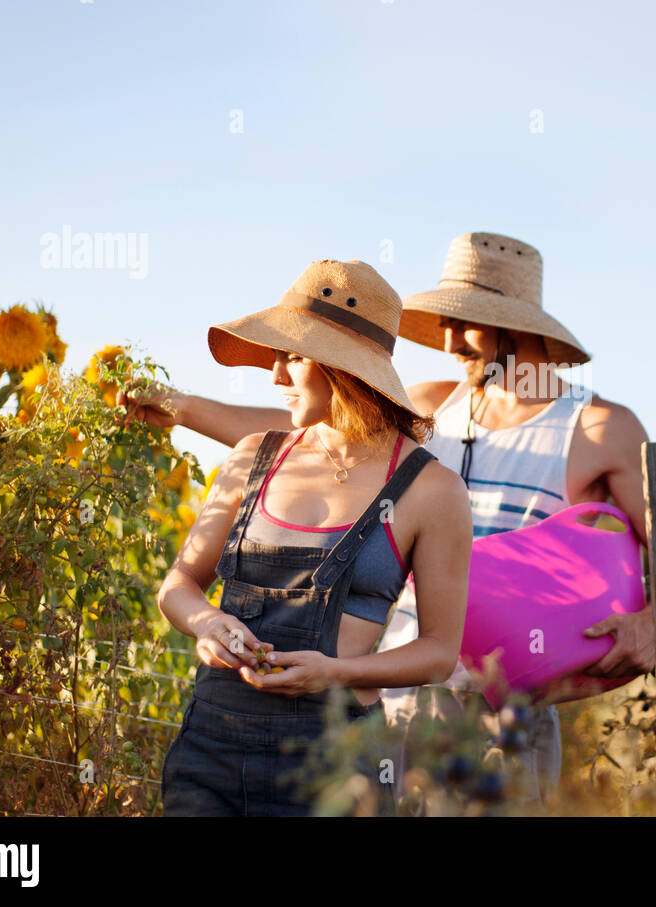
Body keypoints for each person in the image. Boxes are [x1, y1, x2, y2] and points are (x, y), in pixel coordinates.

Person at [127, 233, 656, 804]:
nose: (450, 340)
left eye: (469, 322)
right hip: (396, 693)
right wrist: (181, 408)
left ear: (519, 328)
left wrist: (652, 623)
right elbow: (312, 435)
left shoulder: (600, 427)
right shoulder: (434, 406)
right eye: (445, 321)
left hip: (508, 707)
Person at [156, 258, 472, 816]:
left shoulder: (432, 490)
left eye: (293, 356)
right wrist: (205, 621)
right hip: (211, 746)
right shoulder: (253, 456)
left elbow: (439, 653)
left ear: (344, 368)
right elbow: (179, 584)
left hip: (337, 765)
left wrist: (337, 671)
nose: (275, 375)